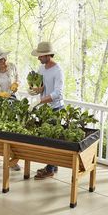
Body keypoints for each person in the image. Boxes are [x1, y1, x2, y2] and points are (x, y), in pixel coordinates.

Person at [31, 41, 64, 179]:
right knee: (47, 137)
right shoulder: (42, 68)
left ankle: (49, 169)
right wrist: (36, 90)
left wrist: (39, 101)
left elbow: (58, 94)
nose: (38, 58)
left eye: (40, 56)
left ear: (47, 55)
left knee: (50, 140)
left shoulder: (58, 71)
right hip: (45, 109)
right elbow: (43, 86)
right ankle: (53, 166)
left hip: (55, 109)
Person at [0, 47, 21, 171]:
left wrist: (16, 84)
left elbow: (18, 79)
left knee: (11, 130)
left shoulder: (12, 67)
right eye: (0, 60)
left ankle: (12, 159)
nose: (4, 61)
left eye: (4, 58)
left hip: (12, 100)